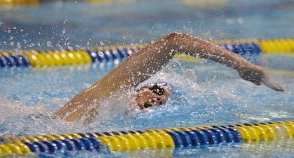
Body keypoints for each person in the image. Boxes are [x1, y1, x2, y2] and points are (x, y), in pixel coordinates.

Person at [55, 32, 284, 125]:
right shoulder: (105, 95)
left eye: (162, 102)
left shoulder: (115, 119)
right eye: (156, 91)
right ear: (137, 86)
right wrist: (242, 65)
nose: (156, 101)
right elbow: (174, 42)